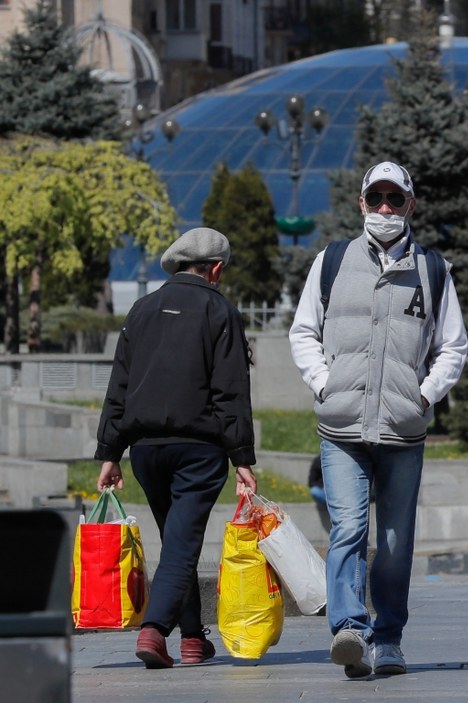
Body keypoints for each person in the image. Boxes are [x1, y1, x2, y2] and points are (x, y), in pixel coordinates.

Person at [288, 161, 468, 678]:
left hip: (403, 429)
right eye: (377, 198)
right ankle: (350, 629)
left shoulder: (432, 268)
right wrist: (324, 383)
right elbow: (304, 331)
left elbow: (452, 345)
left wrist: (424, 395)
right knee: (347, 528)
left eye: (395, 199)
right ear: (361, 203)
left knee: (392, 540)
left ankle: (388, 638)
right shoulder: (332, 260)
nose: (385, 208)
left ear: (410, 205)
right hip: (342, 427)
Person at [95, 227, 258, 669]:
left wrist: (110, 452)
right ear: (217, 269)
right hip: (199, 449)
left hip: (146, 450)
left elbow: (120, 385)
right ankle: (155, 629)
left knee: (175, 540)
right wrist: (241, 455)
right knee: (182, 544)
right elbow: (230, 391)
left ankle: (192, 639)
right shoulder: (220, 310)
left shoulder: (142, 309)